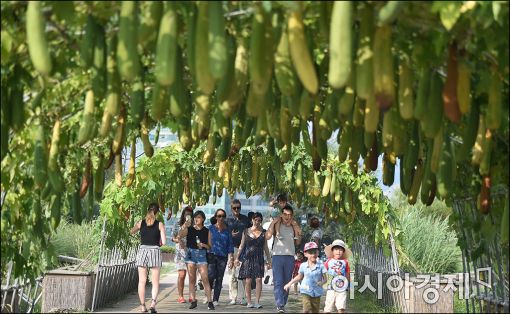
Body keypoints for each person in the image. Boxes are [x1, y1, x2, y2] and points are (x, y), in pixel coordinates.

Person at [265, 204, 302, 313]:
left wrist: (297, 230)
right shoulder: (277, 224)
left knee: (287, 281)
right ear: (281, 214)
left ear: (292, 216)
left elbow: (298, 242)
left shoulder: (293, 226)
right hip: (277, 256)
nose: (287, 217)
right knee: (278, 281)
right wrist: (273, 222)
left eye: (289, 215)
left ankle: (283, 302)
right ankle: (280, 304)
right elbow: (267, 236)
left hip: (290, 256)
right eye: (285, 214)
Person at [130, 203, 166, 313]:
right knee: (155, 282)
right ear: (157, 212)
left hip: (142, 251)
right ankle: (153, 305)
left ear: (147, 210)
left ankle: (142, 306)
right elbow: (164, 242)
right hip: (154, 251)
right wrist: (158, 242)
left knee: (142, 281)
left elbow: (131, 232)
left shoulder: (141, 222)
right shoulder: (159, 224)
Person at [178, 210, 215, 310]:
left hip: (202, 255)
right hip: (190, 254)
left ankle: (210, 301)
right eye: (195, 217)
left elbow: (210, 247)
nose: (196, 219)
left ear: (203, 218)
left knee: (205, 278)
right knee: (191, 279)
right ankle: (193, 300)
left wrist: (203, 245)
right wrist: (185, 225)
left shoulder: (207, 231)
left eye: (198, 217)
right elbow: (180, 235)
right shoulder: (189, 229)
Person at [235, 212, 271, 309]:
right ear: (252, 220)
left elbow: (266, 248)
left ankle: (257, 302)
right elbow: (241, 245)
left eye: (259, 220)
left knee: (259, 279)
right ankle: (249, 302)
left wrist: (269, 260)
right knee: (248, 280)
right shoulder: (246, 231)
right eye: (256, 220)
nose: (257, 222)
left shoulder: (264, 232)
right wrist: (237, 258)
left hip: (259, 258)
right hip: (247, 258)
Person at [284, 242, 327, 314]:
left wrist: (321, 283)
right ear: (305, 254)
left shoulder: (321, 265)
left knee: (315, 311)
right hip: (306, 290)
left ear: (318, 252)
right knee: (306, 309)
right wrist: (289, 283)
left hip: (317, 292)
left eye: (315, 252)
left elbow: (325, 278)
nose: (313, 255)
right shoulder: (303, 265)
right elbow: (299, 276)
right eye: (310, 252)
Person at [206, 209, 234, 306]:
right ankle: (208, 296)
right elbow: (208, 243)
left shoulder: (227, 229)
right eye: (219, 216)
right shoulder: (211, 228)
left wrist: (231, 258)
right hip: (212, 255)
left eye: (223, 216)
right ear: (215, 217)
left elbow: (230, 244)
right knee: (210, 276)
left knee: (219, 277)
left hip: (223, 256)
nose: (221, 218)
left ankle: (215, 299)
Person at [225, 199, 250, 305]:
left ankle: (242, 297)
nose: (236, 210)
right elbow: (224, 235)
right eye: (234, 208)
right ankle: (233, 297)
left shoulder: (245, 219)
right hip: (231, 249)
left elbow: (250, 232)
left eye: (238, 207)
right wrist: (231, 235)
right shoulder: (227, 220)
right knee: (232, 274)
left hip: (243, 249)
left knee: (242, 274)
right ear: (231, 208)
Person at [172, 206, 194, 303]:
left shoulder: (194, 225)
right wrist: (179, 241)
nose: (187, 216)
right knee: (182, 275)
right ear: (183, 215)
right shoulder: (177, 224)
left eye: (189, 214)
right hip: (180, 252)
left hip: (191, 251)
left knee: (191, 275)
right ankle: (180, 296)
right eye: (186, 214)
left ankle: (191, 295)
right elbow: (173, 238)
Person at [323, 239, 352, 313]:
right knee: (328, 308)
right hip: (331, 287)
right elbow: (323, 271)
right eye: (336, 249)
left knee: (341, 307)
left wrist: (348, 284)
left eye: (340, 250)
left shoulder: (345, 262)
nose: (338, 252)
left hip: (342, 287)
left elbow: (347, 273)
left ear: (343, 251)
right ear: (332, 251)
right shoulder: (328, 261)